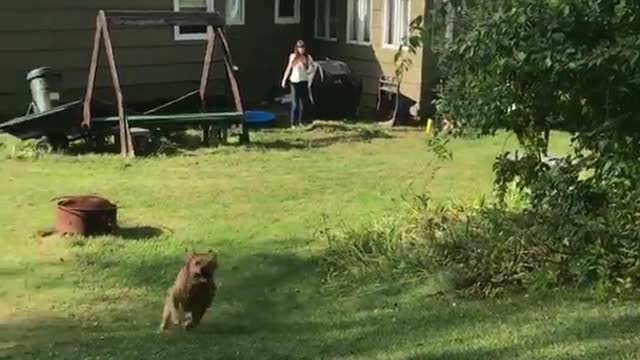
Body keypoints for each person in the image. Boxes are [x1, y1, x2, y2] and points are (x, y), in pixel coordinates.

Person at [281, 40, 318, 128]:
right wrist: (284, 79)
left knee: (304, 103)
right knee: (295, 103)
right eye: (300, 48)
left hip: (303, 81)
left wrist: (309, 71)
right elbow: (289, 68)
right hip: (294, 81)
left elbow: (314, 66)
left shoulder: (308, 57)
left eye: (303, 48)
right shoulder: (293, 56)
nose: (301, 50)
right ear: (297, 48)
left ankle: (302, 121)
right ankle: (293, 123)